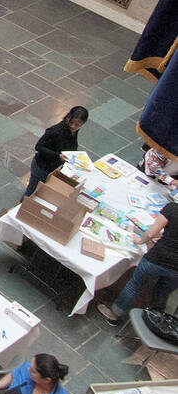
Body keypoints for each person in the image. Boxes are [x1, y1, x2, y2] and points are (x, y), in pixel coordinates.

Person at [98, 195, 178, 327]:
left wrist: (140, 241)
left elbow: (151, 234)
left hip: (158, 258)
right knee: (163, 292)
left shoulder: (172, 208)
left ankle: (113, 315)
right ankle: (154, 321)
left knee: (134, 284)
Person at [23, 106, 89, 199]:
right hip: (42, 166)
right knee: (31, 192)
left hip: (54, 167)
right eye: (72, 122)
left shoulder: (73, 130)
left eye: (78, 125)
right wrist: (58, 155)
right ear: (68, 118)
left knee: (42, 191)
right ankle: (22, 207)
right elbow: (39, 147)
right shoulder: (55, 131)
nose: (73, 126)